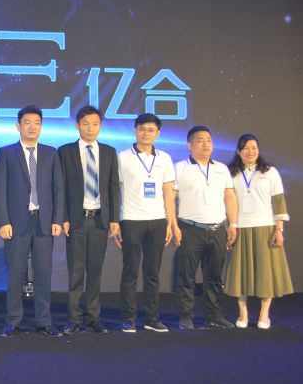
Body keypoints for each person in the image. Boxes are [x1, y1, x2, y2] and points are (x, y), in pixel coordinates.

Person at [0, 105, 65, 338]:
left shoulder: (51, 153)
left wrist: (57, 219)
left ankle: (44, 321)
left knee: (44, 273)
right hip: (16, 223)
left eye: (36, 123)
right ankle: (13, 321)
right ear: (18, 126)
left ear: (41, 126)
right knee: (15, 273)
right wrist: (3, 221)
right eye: (27, 122)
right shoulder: (6, 153)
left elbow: (58, 189)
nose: (32, 127)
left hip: (44, 223)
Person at [58, 106, 119, 335]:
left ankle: (94, 318)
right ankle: (74, 319)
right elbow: (61, 188)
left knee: (95, 271)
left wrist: (114, 219)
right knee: (75, 272)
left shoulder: (109, 152)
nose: (90, 128)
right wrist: (63, 217)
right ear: (77, 125)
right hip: (76, 220)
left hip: (100, 220)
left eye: (95, 124)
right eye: (85, 124)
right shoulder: (65, 151)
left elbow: (113, 188)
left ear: (100, 126)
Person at [115, 113, 177, 333]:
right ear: (135, 130)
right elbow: (115, 192)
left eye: (151, 130)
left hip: (158, 220)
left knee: (152, 273)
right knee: (130, 271)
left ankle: (152, 318)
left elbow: (168, 193)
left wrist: (170, 222)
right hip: (131, 219)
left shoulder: (165, 158)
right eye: (142, 129)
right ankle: (128, 318)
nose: (146, 133)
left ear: (157, 133)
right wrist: (117, 222)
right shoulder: (122, 157)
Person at [225, 134, 293, 329]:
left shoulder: (269, 171)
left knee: (266, 273)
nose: (250, 151)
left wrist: (279, 229)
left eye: (254, 147)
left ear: (259, 150)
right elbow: (227, 202)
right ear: (238, 151)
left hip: (266, 228)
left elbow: (278, 201)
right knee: (240, 274)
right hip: (240, 229)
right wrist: (229, 227)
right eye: (246, 148)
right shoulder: (230, 173)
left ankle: (264, 315)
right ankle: (243, 314)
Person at [173, 126, 238, 330]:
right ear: (189, 145)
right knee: (186, 276)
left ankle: (214, 315)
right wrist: (173, 225)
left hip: (218, 229)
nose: (206, 144)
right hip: (190, 228)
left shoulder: (221, 168)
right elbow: (170, 198)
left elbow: (229, 196)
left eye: (209, 140)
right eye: (200, 140)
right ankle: (186, 316)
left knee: (214, 277)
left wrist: (233, 224)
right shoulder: (179, 168)